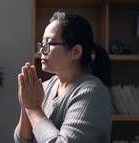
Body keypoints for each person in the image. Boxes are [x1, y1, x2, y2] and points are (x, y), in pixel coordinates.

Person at [14, 11, 112, 143]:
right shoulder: (44, 87)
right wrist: (25, 105)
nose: (42, 50)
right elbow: (21, 140)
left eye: (50, 43)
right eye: (42, 43)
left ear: (76, 52)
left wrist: (33, 108)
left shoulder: (91, 92)